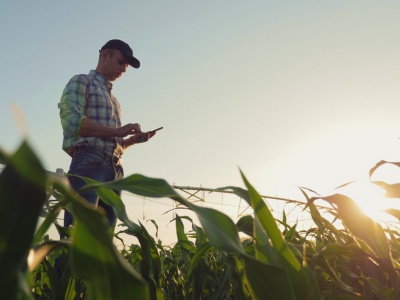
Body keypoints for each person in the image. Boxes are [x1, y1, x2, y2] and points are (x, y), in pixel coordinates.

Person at [58, 39, 156, 229]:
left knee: (103, 245)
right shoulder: (81, 81)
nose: (124, 69)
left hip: (115, 169)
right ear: (105, 55)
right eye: (121, 63)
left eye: (126, 66)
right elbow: (71, 122)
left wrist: (131, 141)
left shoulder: (115, 101)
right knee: (77, 236)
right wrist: (117, 131)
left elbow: (109, 141)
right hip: (89, 164)